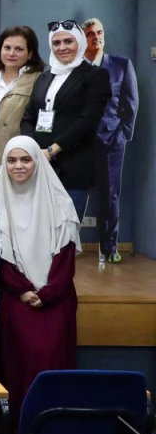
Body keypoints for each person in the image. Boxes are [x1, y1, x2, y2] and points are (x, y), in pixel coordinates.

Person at [0, 136, 80, 425]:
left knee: (50, 351)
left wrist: (49, 292)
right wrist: (22, 289)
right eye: (12, 160)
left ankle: (53, 431)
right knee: (22, 350)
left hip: (56, 294)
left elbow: (66, 258)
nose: (18, 166)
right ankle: (19, 429)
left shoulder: (60, 203)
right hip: (16, 294)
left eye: (26, 160)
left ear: (38, 162)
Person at [20, 20, 112, 220]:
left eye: (68, 41)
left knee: (66, 231)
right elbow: (28, 117)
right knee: (37, 228)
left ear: (80, 42)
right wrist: (32, 149)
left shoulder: (95, 75)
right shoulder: (44, 78)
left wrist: (52, 150)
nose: (62, 47)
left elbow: (88, 121)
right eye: (56, 43)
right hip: (38, 166)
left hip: (73, 168)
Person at [84, 17, 139, 263]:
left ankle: (109, 247)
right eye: (90, 34)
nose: (96, 37)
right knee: (71, 193)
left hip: (111, 141)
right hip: (78, 143)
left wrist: (123, 135)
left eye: (99, 32)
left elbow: (131, 102)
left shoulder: (121, 65)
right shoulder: (76, 68)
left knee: (110, 196)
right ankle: (64, 248)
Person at [0, 26, 45, 188]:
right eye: (7, 47)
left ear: (30, 53)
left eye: (19, 49)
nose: (11, 53)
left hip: (19, 163)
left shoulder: (39, 80)